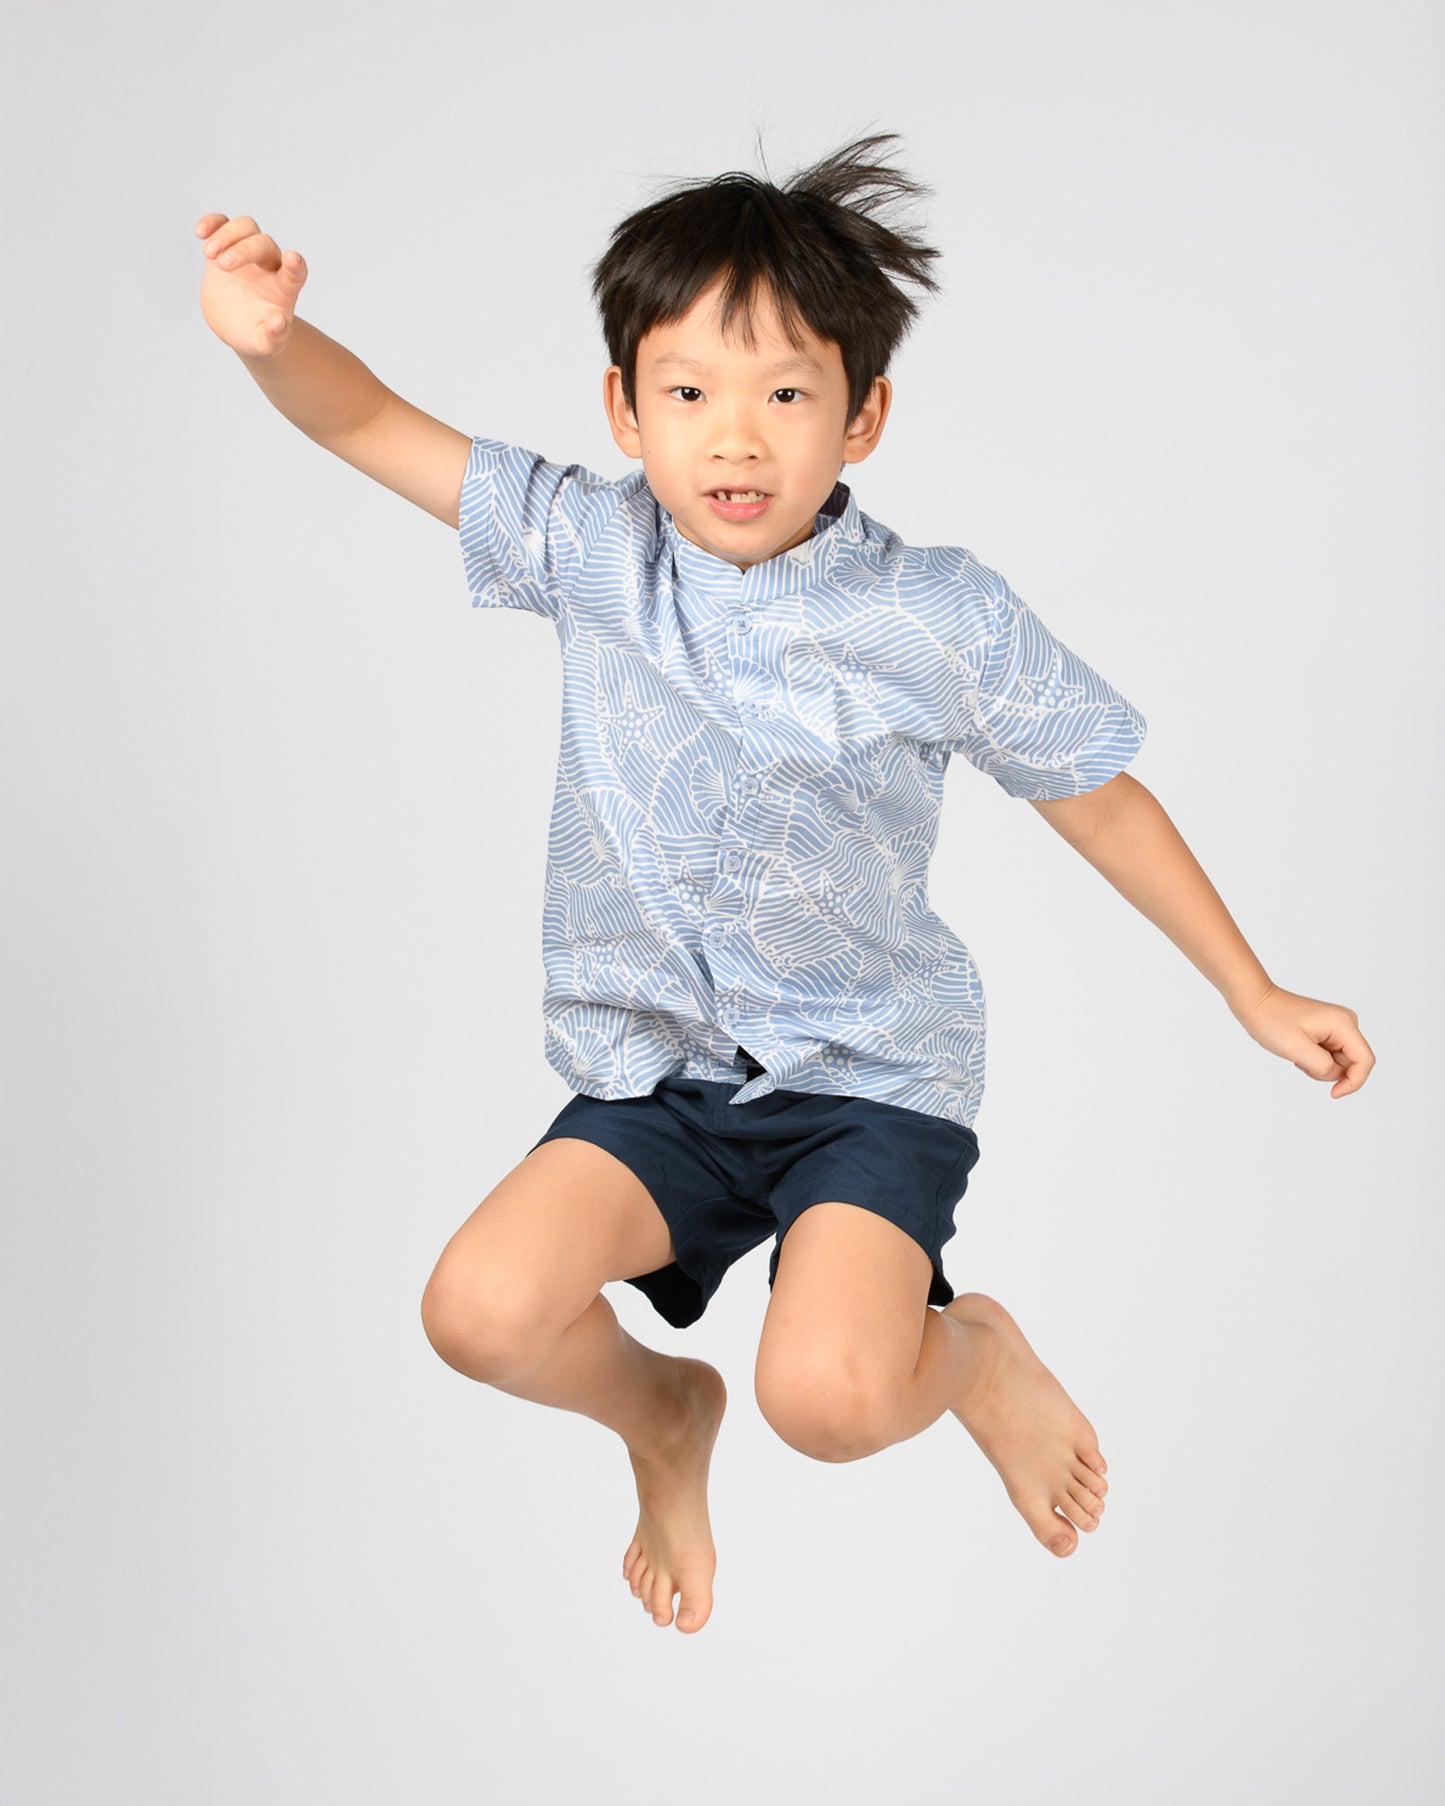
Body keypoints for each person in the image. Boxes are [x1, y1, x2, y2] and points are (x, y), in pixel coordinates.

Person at [194, 132, 1375, 1637]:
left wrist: (1249, 984)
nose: (733, 439)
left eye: (784, 395)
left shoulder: (930, 613)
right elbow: (364, 419)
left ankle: (977, 1355)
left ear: (861, 416)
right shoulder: (586, 545)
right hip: (662, 1073)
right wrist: (273, 341)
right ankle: (660, 1415)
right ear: (623, 408)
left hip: (869, 1075)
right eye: (687, 393)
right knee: (477, 1310)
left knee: (826, 1398)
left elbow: (1098, 800)